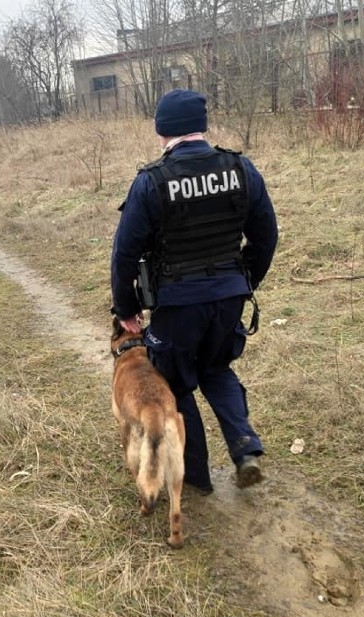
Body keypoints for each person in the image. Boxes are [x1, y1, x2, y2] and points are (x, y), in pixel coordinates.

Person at [110, 89, 278, 494]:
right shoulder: (240, 169)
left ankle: (198, 477)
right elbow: (266, 234)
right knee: (217, 370)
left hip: (177, 304)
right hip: (227, 296)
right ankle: (244, 449)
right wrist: (244, 280)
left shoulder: (151, 181)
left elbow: (125, 252)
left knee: (177, 383)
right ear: (202, 127)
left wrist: (126, 308)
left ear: (162, 131)